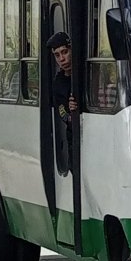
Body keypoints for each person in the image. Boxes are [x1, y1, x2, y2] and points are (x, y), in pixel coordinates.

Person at [46, 32, 78, 169]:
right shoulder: (58, 84)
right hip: (74, 137)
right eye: (57, 55)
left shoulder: (88, 73)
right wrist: (71, 113)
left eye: (65, 52)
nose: (62, 59)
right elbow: (62, 113)